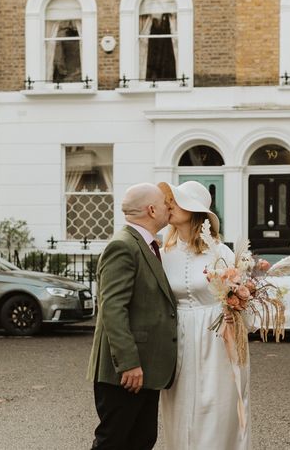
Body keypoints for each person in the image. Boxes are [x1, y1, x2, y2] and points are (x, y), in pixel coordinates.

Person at [159, 181, 251, 450]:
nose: (169, 205)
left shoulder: (220, 252)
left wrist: (234, 315)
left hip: (217, 338)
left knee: (216, 408)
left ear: (193, 209)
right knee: (180, 405)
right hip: (178, 338)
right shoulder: (164, 255)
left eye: (176, 201)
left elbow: (241, 299)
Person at [87, 182, 178, 450]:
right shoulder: (123, 246)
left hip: (146, 367)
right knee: (113, 441)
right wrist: (128, 363)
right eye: (164, 203)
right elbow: (112, 309)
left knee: (141, 441)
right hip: (126, 371)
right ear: (151, 210)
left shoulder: (147, 245)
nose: (168, 207)